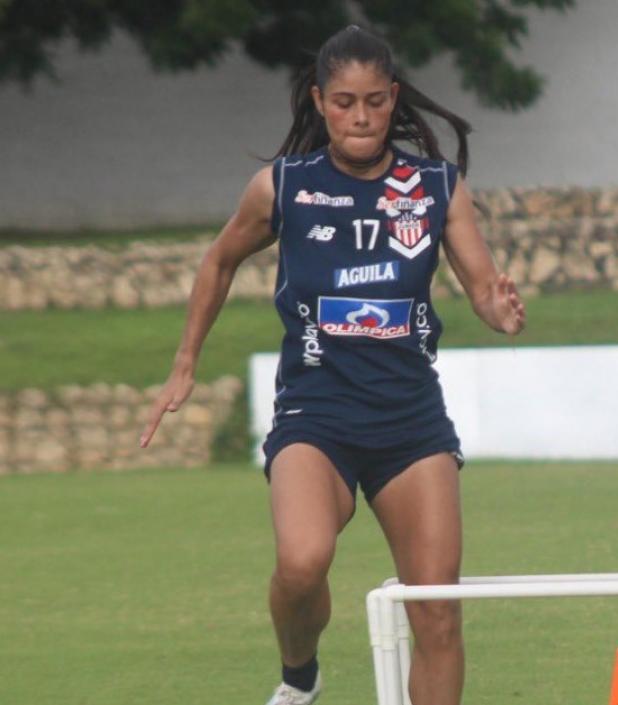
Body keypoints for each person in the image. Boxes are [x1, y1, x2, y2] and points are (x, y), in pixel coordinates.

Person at [139, 26, 525, 705]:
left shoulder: (435, 186)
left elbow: (485, 289)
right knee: (302, 561)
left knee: (436, 608)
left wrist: (502, 310)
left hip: (410, 422)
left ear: (393, 98)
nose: (361, 116)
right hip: (315, 413)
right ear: (320, 101)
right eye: (345, 101)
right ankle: (300, 676)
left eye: (375, 101)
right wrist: (184, 361)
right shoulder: (283, 186)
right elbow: (220, 260)